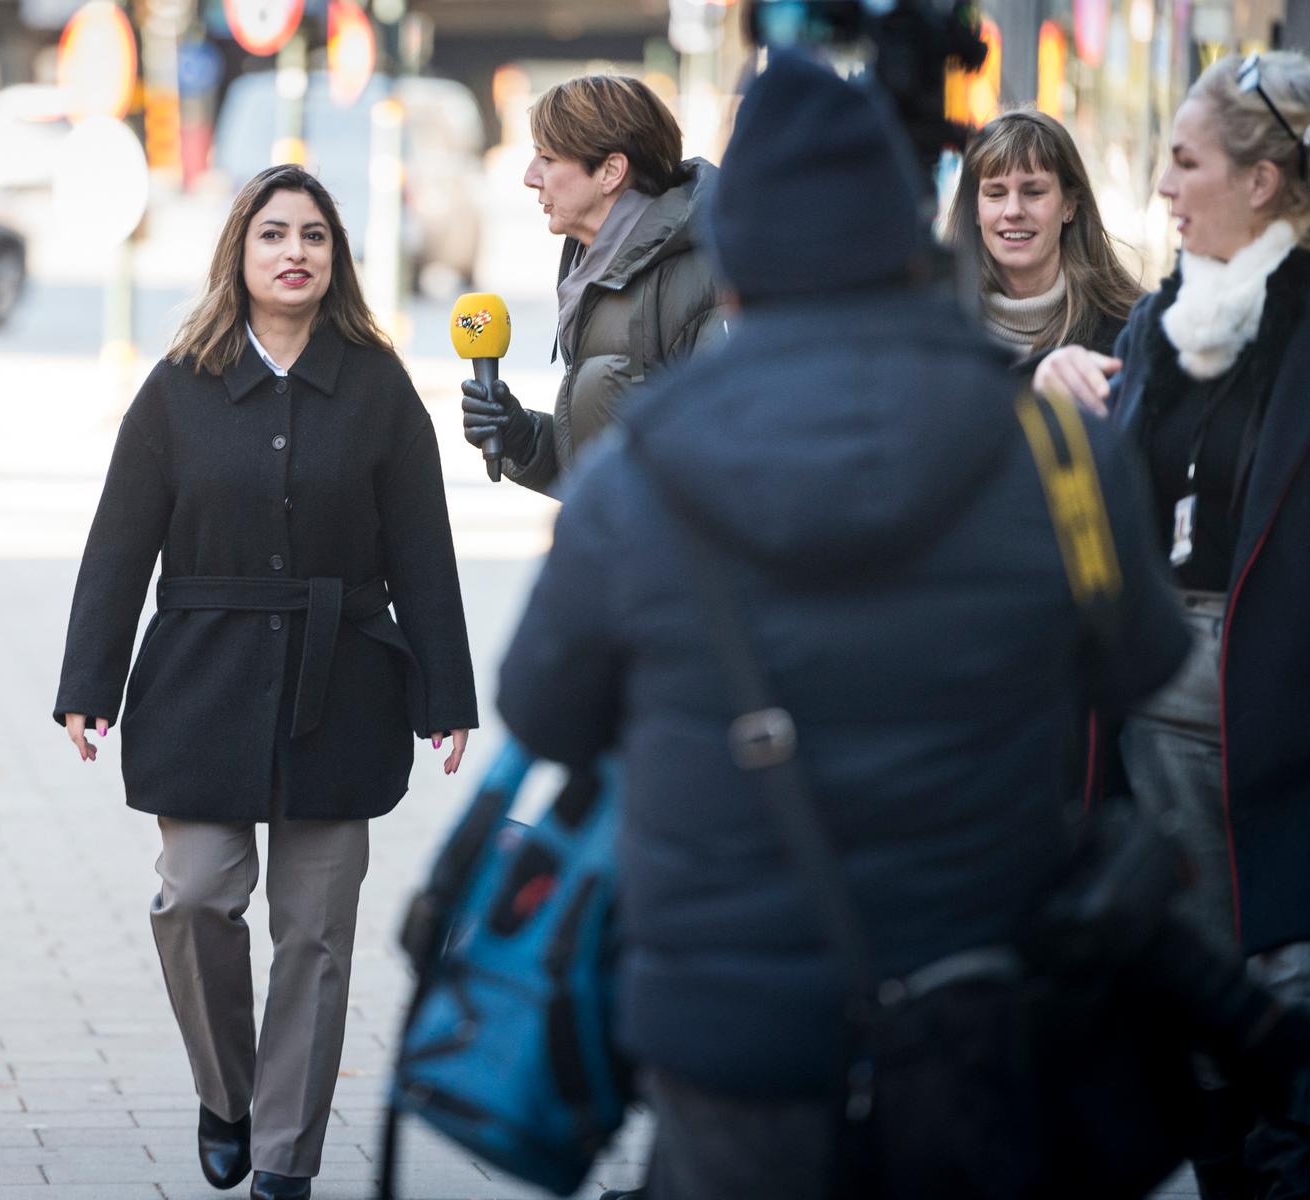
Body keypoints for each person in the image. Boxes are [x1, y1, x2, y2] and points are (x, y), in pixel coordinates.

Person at [498, 51, 1189, 1197]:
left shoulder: (644, 465)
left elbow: (541, 709)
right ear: (914, 235)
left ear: (736, 261)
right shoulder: (1059, 449)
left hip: (730, 1033)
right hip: (982, 1008)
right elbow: (1145, 668)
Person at [53, 164, 477, 1200]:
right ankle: (229, 1093)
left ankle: (285, 1157)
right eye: (275, 234)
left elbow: (424, 548)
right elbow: (119, 544)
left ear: (338, 259)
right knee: (195, 898)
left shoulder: (378, 388)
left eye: (315, 237)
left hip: (346, 686)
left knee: (317, 931)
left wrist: (445, 697)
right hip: (199, 676)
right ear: (237, 253)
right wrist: (87, 681)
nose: (296, 252)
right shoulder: (177, 386)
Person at [1035, 49, 1310, 1199]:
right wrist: (1066, 409)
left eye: (1185, 162)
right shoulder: (1168, 315)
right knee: (1203, 1014)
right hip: (1155, 713)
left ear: (1264, 181)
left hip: (1304, 708)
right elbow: (1118, 510)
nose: (1165, 187)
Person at [460, 74, 722, 495]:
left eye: (547, 158)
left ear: (611, 171)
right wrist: (522, 438)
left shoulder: (704, 275)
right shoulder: (597, 272)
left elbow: (728, 460)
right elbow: (600, 462)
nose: (530, 177)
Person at [944, 108, 1145, 366]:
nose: (1013, 211)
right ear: (974, 208)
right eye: (995, 194)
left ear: (1069, 205)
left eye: (1034, 192)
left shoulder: (1129, 334)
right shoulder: (935, 331)